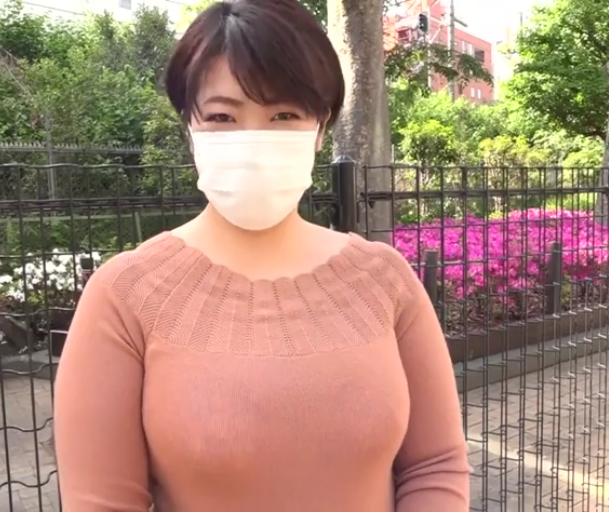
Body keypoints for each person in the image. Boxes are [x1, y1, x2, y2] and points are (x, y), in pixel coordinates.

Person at [52, 0, 471, 510]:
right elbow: (102, 502)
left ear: (321, 127)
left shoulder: (385, 280)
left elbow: (434, 465)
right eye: (222, 116)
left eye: (284, 114)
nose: (252, 140)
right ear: (189, 128)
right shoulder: (125, 295)